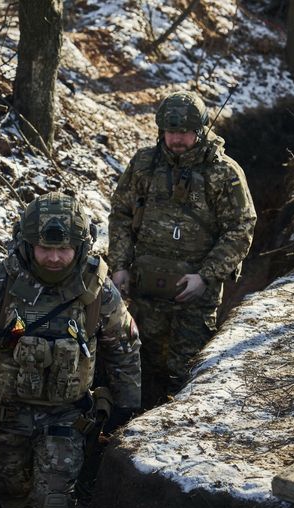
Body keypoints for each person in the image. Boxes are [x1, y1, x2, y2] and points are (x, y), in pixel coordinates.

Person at [0, 192, 141, 508]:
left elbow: (124, 349)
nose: (55, 258)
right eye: (45, 249)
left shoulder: (98, 293)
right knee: (10, 505)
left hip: (65, 420)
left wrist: (125, 409)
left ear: (82, 248)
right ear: (27, 245)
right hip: (2, 419)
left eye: (64, 250)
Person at [107, 91, 256, 407]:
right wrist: (119, 265)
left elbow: (241, 229)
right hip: (144, 289)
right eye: (171, 132)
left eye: (184, 132)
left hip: (194, 296)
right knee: (139, 365)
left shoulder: (223, 173)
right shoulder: (144, 165)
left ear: (200, 130)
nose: (176, 139)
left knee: (184, 371)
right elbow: (120, 214)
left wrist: (205, 276)